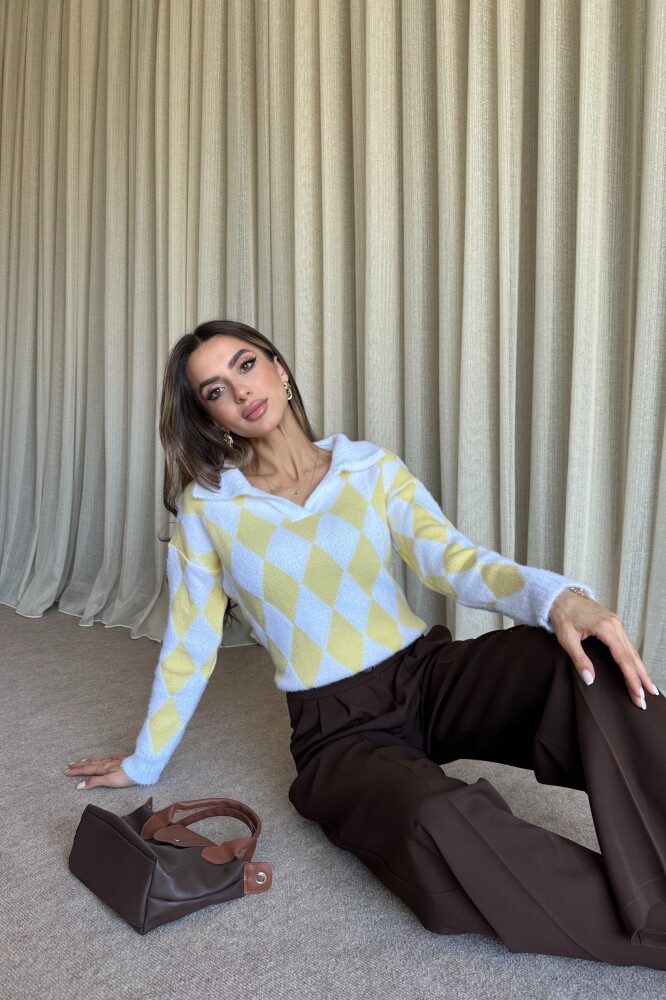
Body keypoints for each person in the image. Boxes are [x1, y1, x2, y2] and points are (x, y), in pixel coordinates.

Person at [66, 319, 666, 969]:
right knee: (438, 818)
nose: (239, 391)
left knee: (578, 659)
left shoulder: (368, 468)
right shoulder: (209, 509)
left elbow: (453, 560)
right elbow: (190, 643)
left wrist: (559, 599)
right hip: (337, 732)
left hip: (426, 675)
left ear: (278, 368)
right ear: (211, 417)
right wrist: (144, 761)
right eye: (214, 390)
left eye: (245, 365)